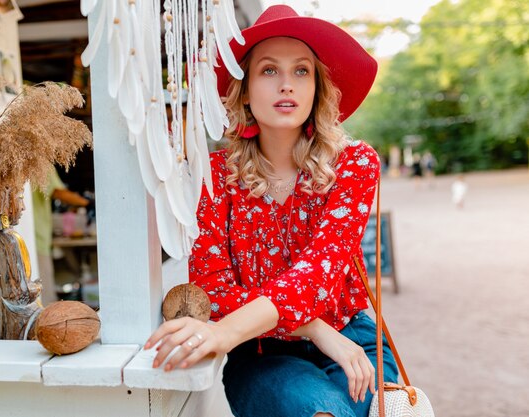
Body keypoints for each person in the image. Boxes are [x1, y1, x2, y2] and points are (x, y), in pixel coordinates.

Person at [145, 6, 398, 417]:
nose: (287, 85)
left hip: (352, 340)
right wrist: (314, 329)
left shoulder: (353, 164)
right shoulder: (211, 178)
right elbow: (215, 288)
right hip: (263, 353)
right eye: (268, 70)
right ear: (243, 89)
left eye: (302, 71)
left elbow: (319, 272)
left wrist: (227, 330)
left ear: (318, 87)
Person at [32, 167, 88, 306]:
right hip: (37, 238)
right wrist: (88, 202)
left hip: (29, 236)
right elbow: (58, 192)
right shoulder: (39, 161)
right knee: (44, 296)